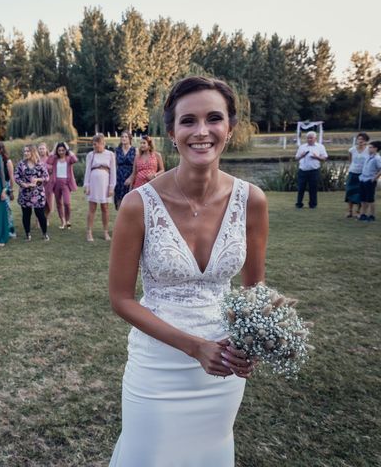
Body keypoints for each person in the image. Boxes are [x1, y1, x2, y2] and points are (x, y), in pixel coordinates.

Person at [108, 76, 268, 466]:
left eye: (214, 118)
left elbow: (253, 289)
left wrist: (251, 342)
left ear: (229, 128)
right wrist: (194, 346)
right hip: (157, 367)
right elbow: (121, 298)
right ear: (171, 132)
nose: (201, 131)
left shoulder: (252, 201)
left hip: (222, 369)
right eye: (188, 121)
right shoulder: (137, 204)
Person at [84, 133, 116, 241]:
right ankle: (89, 232)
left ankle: (106, 232)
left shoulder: (110, 154)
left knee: (105, 208)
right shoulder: (90, 155)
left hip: (105, 183)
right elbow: (87, 170)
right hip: (93, 182)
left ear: (103, 143)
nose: (95, 147)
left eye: (97, 144)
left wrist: (112, 186)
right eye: (94, 145)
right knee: (92, 207)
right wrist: (86, 185)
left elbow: (113, 171)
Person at [15, 145, 50, 241]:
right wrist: (23, 184)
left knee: (40, 214)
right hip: (25, 193)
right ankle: (28, 234)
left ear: (33, 152)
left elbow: (46, 177)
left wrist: (38, 179)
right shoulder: (21, 164)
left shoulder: (40, 164)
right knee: (26, 214)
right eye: (25, 151)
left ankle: (44, 233)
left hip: (38, 193)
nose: (25, 153)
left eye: (28, 151)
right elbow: (16, 177)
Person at [47, 142, 78, 229]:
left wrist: (68, 149)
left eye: (63, 150)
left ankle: (68, 220)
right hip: (56, 183)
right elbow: (48, 161)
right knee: (59, 203)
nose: (61, 152)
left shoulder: (69, 159)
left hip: (66, 184)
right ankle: (63, 221)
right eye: (59, 150)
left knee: (67, 203)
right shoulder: (55, 159)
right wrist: (53, 150)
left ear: (65, 150)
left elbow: (75, 159)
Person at [294, 131, 328, 209]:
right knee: (301, 187)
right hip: (303, 170)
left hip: (314, 170)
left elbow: (324, 158)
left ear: (315, 138)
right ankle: (299, 203)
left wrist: (317, 157)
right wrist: (302, 156)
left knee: (313, 188)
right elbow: (296, 158)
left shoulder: (320, 147)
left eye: (311, 138)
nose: (309, 139)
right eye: (308, 138)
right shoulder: (302, 147)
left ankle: (313, 204)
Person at [345, 133, 369, 218]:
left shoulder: (368, 150)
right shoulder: (352, 150)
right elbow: (350, 160)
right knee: (350, 192)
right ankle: (349, 211)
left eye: (362, 139)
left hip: (363, 174)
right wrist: (352, 168)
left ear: (366, 141)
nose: (360, 141)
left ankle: (358, 211)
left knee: (360, 193)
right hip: (352, 173)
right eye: (359, 139)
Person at [0, 141, 17, 238]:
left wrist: (11, 191)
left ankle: (11, 231)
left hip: (6, 185)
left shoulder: (7, 161)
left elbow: (12, 177)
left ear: (0, 150)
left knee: (7, 208)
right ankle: (0, 229)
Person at [358, 140, 381, 222]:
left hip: (370, 180)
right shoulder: (368, 156)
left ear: (376, 149)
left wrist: (375, 178)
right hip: (363, 179)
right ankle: (363, 214)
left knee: (370, 199)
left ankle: (372, 215)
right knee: (363, 198)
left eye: (371, 147)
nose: (369, 149)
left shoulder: (377, 158)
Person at [114, 131, 135, 210]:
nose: (124, 138)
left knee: (130, 199)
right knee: (119, 198)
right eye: (122, 137)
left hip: (130, 175)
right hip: (119, 176)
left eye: (126, 137)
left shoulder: (134, 150)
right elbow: (114, 165)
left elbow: (136, 166)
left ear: (129, 139)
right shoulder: (117, 150)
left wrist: (131, 177)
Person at [37, 142, 55, 223]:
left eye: (43, 148)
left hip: (48, 183)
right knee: (39, 202)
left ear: (46, 149)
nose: (41, 150)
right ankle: (39, 219)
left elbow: (53, 169)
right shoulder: (36, 159)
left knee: (48, 202)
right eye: (40, 149)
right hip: (38, 184)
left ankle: (46, 218)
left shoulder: (50, 158)